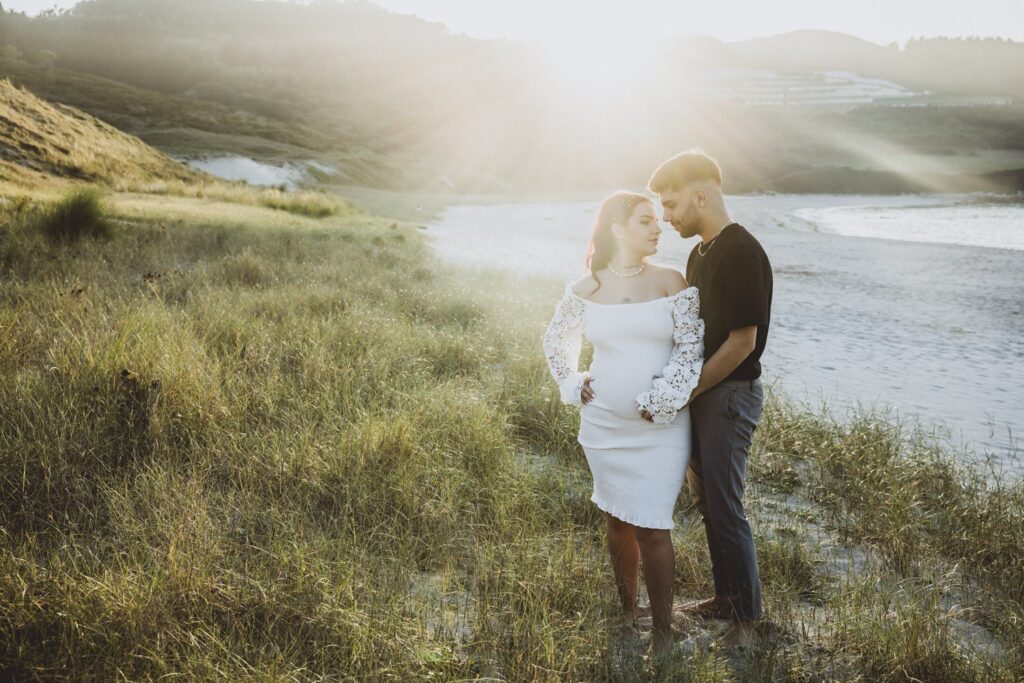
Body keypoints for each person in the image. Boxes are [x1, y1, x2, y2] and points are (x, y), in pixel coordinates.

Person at [542, 191, 704, 658]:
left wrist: (665, 396)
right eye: (645, 221)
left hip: (660, 427)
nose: (658, 228)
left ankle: (664, 631)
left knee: (653, 525)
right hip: (605, 425)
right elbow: (556, 340)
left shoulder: (672, 281)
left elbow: (690, 349)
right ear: (617, 229)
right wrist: (573, 380)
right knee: (616, 519)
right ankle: (627, 612)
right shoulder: (586, 288)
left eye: (657, 220)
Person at [647, 150, 773, 648]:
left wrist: (686, 390)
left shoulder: (742, 251)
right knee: (707, 504)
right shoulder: (699, 253)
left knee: (726, 505)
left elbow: (741, 343)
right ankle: (725, 597)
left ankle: (745, 620)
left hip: (729, 397)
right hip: (704, 395)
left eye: (673, 204)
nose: (667, 216)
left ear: (700, 195)